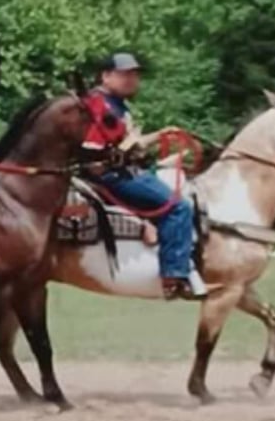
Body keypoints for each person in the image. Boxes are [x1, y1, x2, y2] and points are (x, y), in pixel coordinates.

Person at [82, 53, 206, 300]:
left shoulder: (114, 104)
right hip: (112, 175)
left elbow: (130, 145)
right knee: (178, 207)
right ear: (106, 76)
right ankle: (175, 274)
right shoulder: (99, 104)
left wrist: (161, 134)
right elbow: (108, 148)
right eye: (125, 74)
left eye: (135, 75)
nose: (132, 80)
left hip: (121, 170)